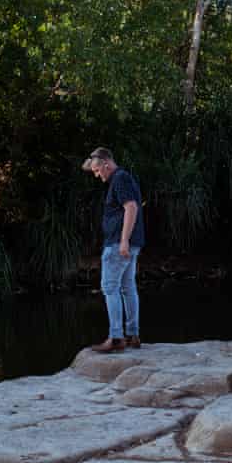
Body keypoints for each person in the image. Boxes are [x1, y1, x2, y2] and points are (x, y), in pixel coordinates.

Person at [81, 147, 144, 352]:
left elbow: (131, 207)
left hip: (119, 243)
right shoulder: (124, 178)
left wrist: (124, 240)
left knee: (110, 288)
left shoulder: (119, 179)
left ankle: (116, 338)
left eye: (98, 171)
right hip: (129, 243)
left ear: (106, 164)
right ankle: (132, 335)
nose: (98, 176)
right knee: (127, 288)